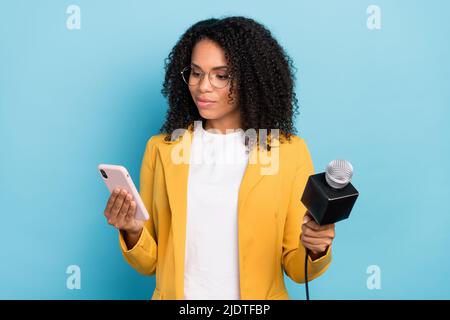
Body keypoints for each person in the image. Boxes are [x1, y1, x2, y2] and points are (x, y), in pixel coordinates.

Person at [103, 16, 335, 300]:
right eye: (196, 72)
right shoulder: (162, 149)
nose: (203, 87)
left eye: (221, 75)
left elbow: (297, 270)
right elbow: (150, 263)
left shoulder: (288, 152)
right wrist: (132, 230)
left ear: (251, 80)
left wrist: (316, 247)